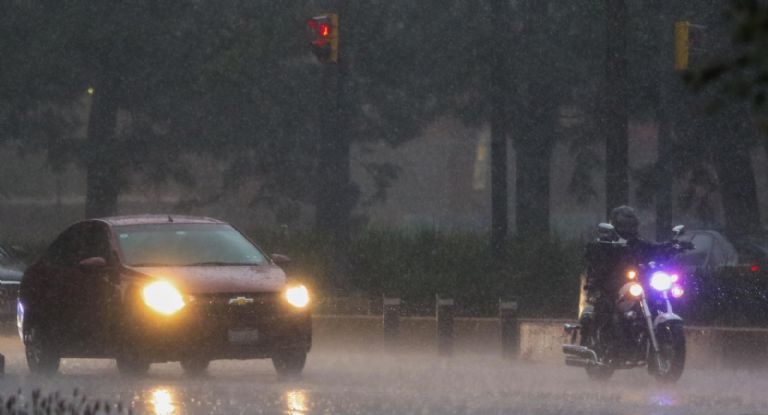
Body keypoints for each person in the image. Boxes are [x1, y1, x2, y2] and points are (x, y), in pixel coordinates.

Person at [580, 205, 663, 347]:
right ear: (616, 225)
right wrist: (604, 249)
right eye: (625, 225)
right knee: (606, 304)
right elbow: (591, 251)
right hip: (608, 285)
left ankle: (652, 339)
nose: (628, 229)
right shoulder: (604, 243)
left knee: (655, 298)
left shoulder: (637, 243)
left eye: (631, 225)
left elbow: (653, 247)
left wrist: (673, 246)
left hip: (633, 283)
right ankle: (604, 342)